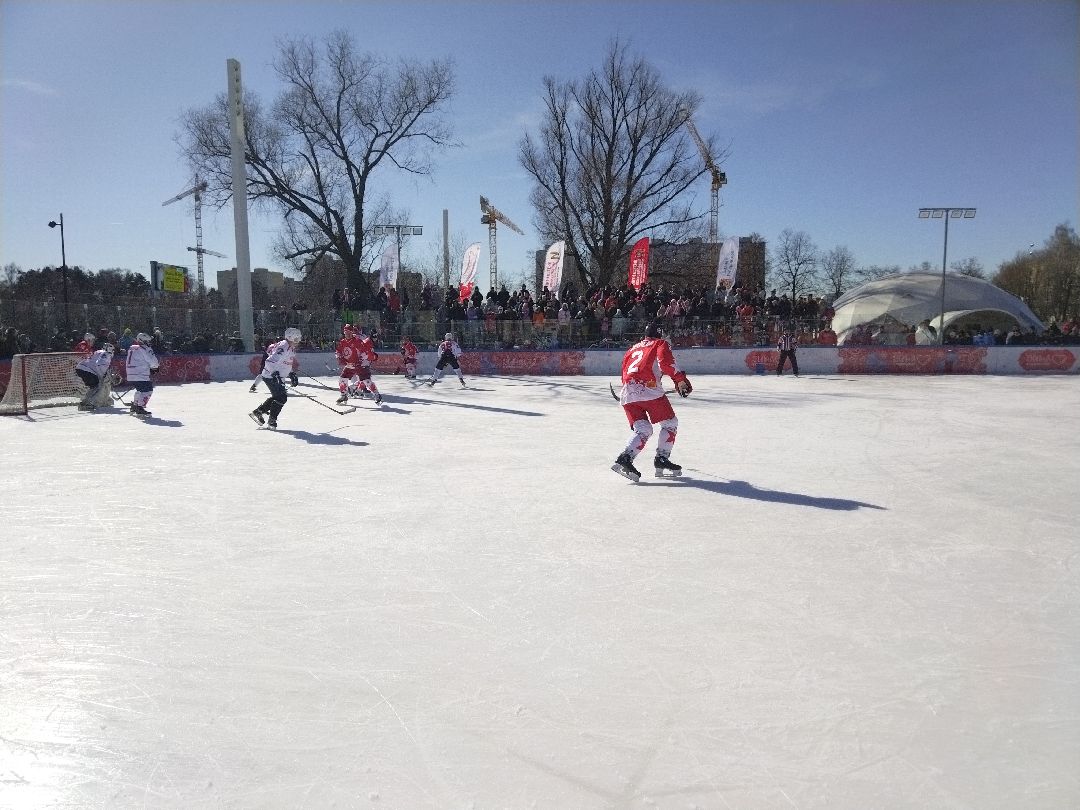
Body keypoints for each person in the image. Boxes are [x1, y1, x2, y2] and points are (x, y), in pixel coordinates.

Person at [612, 321, 692, 482]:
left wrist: (630, 389)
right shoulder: (660, 343)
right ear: (660, 333)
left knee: (643, 429)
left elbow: (625, 371)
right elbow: (666, 363)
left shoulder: (632, 348)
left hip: (628, 392)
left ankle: (625, 458)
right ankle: (662, 458)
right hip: (649, 391)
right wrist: (680, 380)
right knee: (670, 423)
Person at [249, 327, 302, 429]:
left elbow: (286, 363)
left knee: (278, 397)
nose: (298, 342)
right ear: (290, 338)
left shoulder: (290, 347)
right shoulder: (284, 346)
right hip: (270, 376)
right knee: (281, 397)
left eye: (299, 339)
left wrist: (291, 374)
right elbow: (270, 361)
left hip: (276, 376)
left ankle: (259, 412)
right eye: (296, 339)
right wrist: (275, 374)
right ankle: (271, 420)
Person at [125, 332, 160, 418]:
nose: (149, 343)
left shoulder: (132, 348)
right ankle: (139, 407)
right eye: (147, 341)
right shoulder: (145, 349)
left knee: (140, 390)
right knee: (148, 390)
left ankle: (135, 406)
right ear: (142, 341)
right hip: (140, 373)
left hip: (130, 374)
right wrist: (155, 368)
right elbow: (154, 363)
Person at [74, 343, 117, 410]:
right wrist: (101, 376)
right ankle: (90, 403)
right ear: (109, 349)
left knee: (93, 387)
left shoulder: (98, 351)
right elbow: (99, 364)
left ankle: (85, 402)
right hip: (87, 370)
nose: (113, 352)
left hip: (80, 368)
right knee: (98, 386)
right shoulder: (106, 354)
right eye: (112, 350)